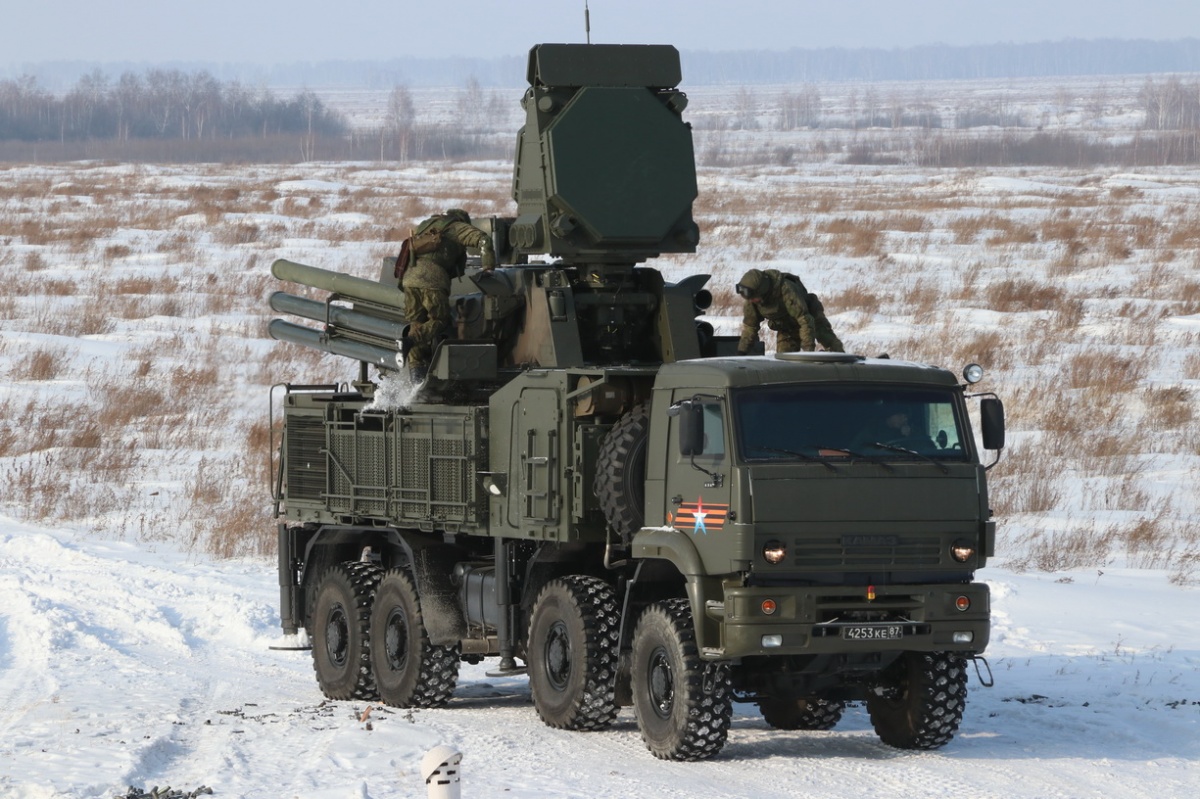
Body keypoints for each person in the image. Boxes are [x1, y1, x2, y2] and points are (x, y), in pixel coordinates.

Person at [397, 209, 496, 374]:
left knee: (417, 323)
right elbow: (484, 240)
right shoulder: (457, 227)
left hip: (409, 278)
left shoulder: (425, 225)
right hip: (432, 279)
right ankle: (408, 342)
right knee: (439, 320)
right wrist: (488, 267)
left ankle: (416, 372)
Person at [735, 268, 845, 355]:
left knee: (825, 337)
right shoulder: (752, 300)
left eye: (753, 298)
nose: (751, 301)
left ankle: (844, 367)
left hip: (810, 316)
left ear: (761, 290)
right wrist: (742, 352)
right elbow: (750, 328)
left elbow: (805, 320)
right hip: (787, 327)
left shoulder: (786, 289)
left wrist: (808, 351)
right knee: (785, 360)